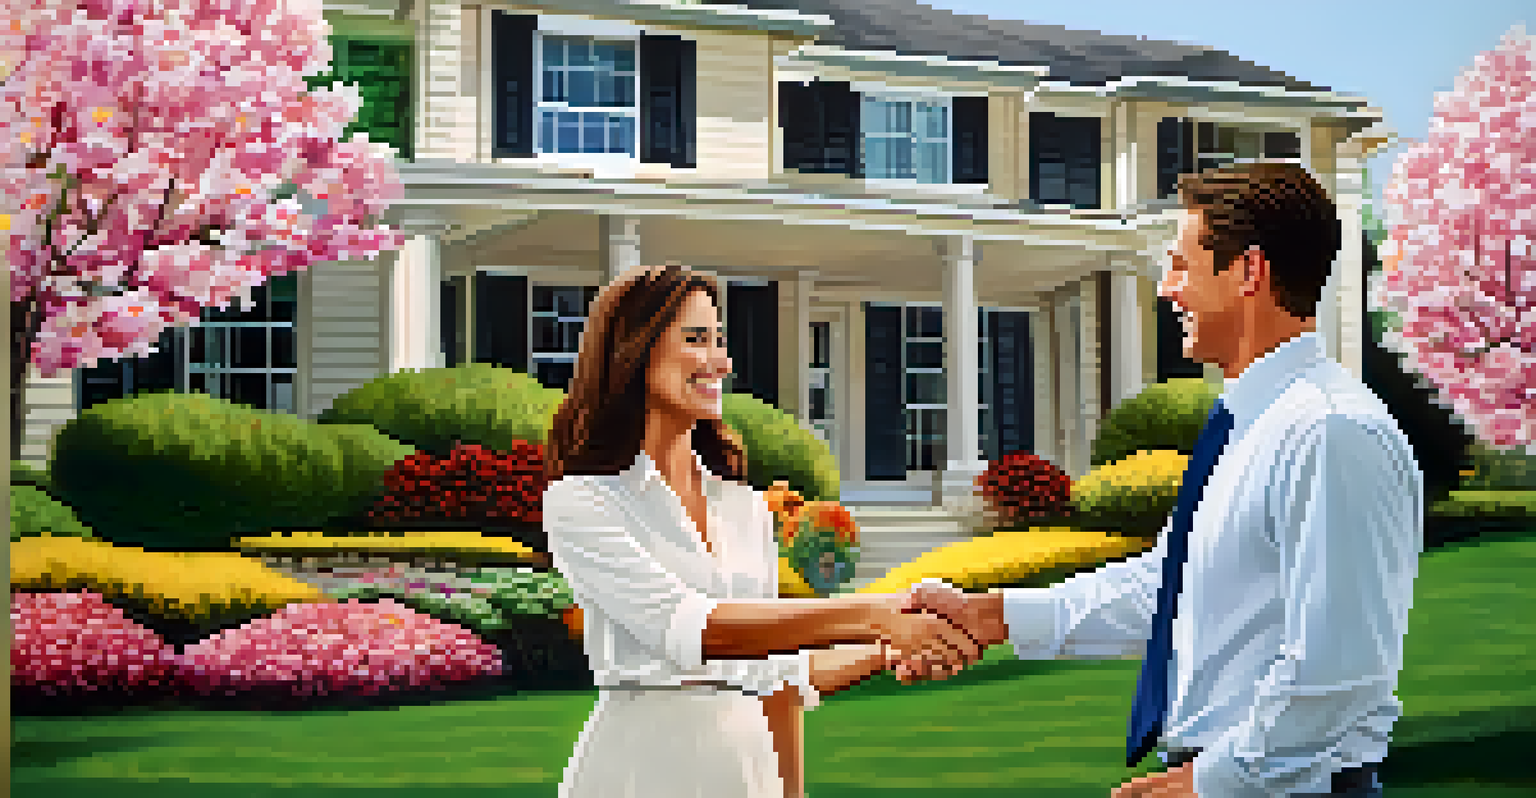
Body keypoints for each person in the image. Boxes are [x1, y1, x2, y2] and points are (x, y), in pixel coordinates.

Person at [900, 163, 1422, 798]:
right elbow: (1167, 589)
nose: (1167, 289)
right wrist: (996, 616)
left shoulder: (1331, 434)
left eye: (1181, 264)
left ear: (1249, 272)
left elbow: (1340, 670)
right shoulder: (1245, 426)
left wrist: (1209, 783)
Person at [543, 262, 983, 798]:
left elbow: (780, 677)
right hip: (640, 769)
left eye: (720, 341)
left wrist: (893, 642)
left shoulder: (745, 507)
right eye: (697, 339)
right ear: (634, 352)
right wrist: (876, 616)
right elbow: (694, 629)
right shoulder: (583, 501)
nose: (721, 363)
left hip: (747, 771)